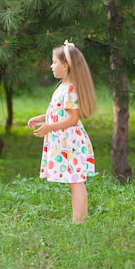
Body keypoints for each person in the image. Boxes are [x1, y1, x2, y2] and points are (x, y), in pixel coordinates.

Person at [27, 40, 97, 223]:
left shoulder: (71, 89)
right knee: (73, 180)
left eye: (54, 62)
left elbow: (73, 118)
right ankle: (78, 219)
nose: (51, 66)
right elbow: (59, 112)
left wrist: (49, 127)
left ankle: (79, 221)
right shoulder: (64, 87)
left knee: (76, 181)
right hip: (65, 141)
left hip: (71, 142)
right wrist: (42, 118)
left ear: (65, 66)